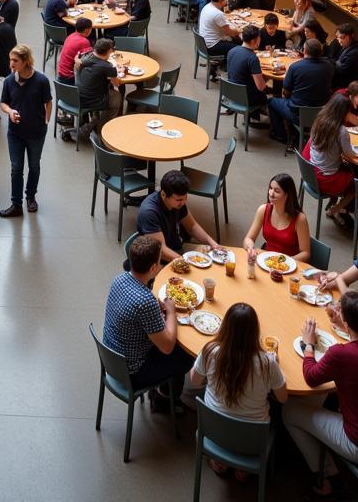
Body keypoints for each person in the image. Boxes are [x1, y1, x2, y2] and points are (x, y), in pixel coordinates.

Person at [283, 291, 358, 498]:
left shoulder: (341, 354)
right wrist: (345, 327)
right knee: (319, 399)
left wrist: (309, 344)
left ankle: (326, 478)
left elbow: (311, 377)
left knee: (289, 410)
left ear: (348, 323)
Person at [190, 303, 287, 474]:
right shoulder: (267, 363)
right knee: (277, 410)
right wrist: (275, 369)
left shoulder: (211, 351)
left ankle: (220, 459)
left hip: (215, 431)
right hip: (251, 441)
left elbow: (194, 381)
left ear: (225, 327)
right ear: (255, 332)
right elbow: (283, 398)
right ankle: (244, 468)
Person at [103, 235, 193, 411]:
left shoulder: (119, 280)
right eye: (160, 262)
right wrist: (172, 311)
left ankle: (162, 393)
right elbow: (167, 346)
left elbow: (141, 302)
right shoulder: (145, 303)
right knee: (185, 356)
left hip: (112, 358)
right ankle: (164, 400)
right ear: (153, 268)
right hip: (132, 372)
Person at [0, 44, 52, 217]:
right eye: (10, 60)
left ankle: (31, 197)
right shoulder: (8, 81)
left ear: (25, 61)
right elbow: (3, 103)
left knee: (34, 166)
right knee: (16, 168)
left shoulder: (41, 81)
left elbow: (48, 101)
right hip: (15, 132)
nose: (11, 64)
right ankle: (16, 204)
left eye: (15, 60)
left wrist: (47, 120)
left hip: (36, 132)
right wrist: (10, 111)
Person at [135, 169, 222, 261]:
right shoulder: (149, 213)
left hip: (175, 248)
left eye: (186, 198)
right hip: (157, 259)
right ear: (163, 194)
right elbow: (161, 251)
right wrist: (186, 262)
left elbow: (192, 226)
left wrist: (212, 243)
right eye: (179, 200)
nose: (184, 202)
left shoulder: (178, 204)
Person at [305, 93, 357, 227]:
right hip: (327, 180)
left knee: (344, 168)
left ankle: (334, 203)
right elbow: (349, 154)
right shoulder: (341, 131)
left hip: (311, 172)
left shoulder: (319, 120)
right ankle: (335, 210)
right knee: (357, 186)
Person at [267, 38, 333, 144]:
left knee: (272, 102)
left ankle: (281, 135)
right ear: (321, 52)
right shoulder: (329, 66)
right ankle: (294, 131)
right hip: (321, 112)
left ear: (304, 50)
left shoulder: (295, 67)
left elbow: (286, 91)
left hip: (297, 113)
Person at [242, 173, 310, 262]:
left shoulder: (300, 219)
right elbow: (248, 239)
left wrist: (285, 261)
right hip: (267, 260)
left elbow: (305, 253)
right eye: (270, 188)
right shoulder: (263, 210)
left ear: (287, 195)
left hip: (288, 264)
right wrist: (251, 247)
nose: (271, 194)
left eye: (277, 191)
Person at [225, 25, 268, 111]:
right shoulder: (252, 58)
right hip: (246, 98)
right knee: (270, 96)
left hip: (230, 93)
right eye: (259, 38)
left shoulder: (232, 51)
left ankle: (254, 117)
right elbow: (261, 87)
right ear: (254, 41)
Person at [198, 0, 238, 73]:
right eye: (225, 0)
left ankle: (223, 63)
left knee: (232, 41)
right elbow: (230, 32)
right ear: (220, 0)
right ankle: (227, 69)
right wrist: (240, 31)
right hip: (212, 45)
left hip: (203, 42)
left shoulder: (207, 6)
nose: (226, 2)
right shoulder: (218, 14)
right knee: (238, 48)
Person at [57, 15, 93, 86]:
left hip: (60, 73)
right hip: (70, 78)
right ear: (87, 30)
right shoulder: (84, 42)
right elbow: (89, 62)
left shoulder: (70, 36)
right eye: (91, 29)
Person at [328, 23, 358, 91]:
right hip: (345, 84)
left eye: (342, 37)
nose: (339, 41)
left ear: (351, 36)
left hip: (350, 89)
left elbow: (341, 70)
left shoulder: (355, 52)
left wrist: (329, 62)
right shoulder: (347, 46)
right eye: (338, 37)